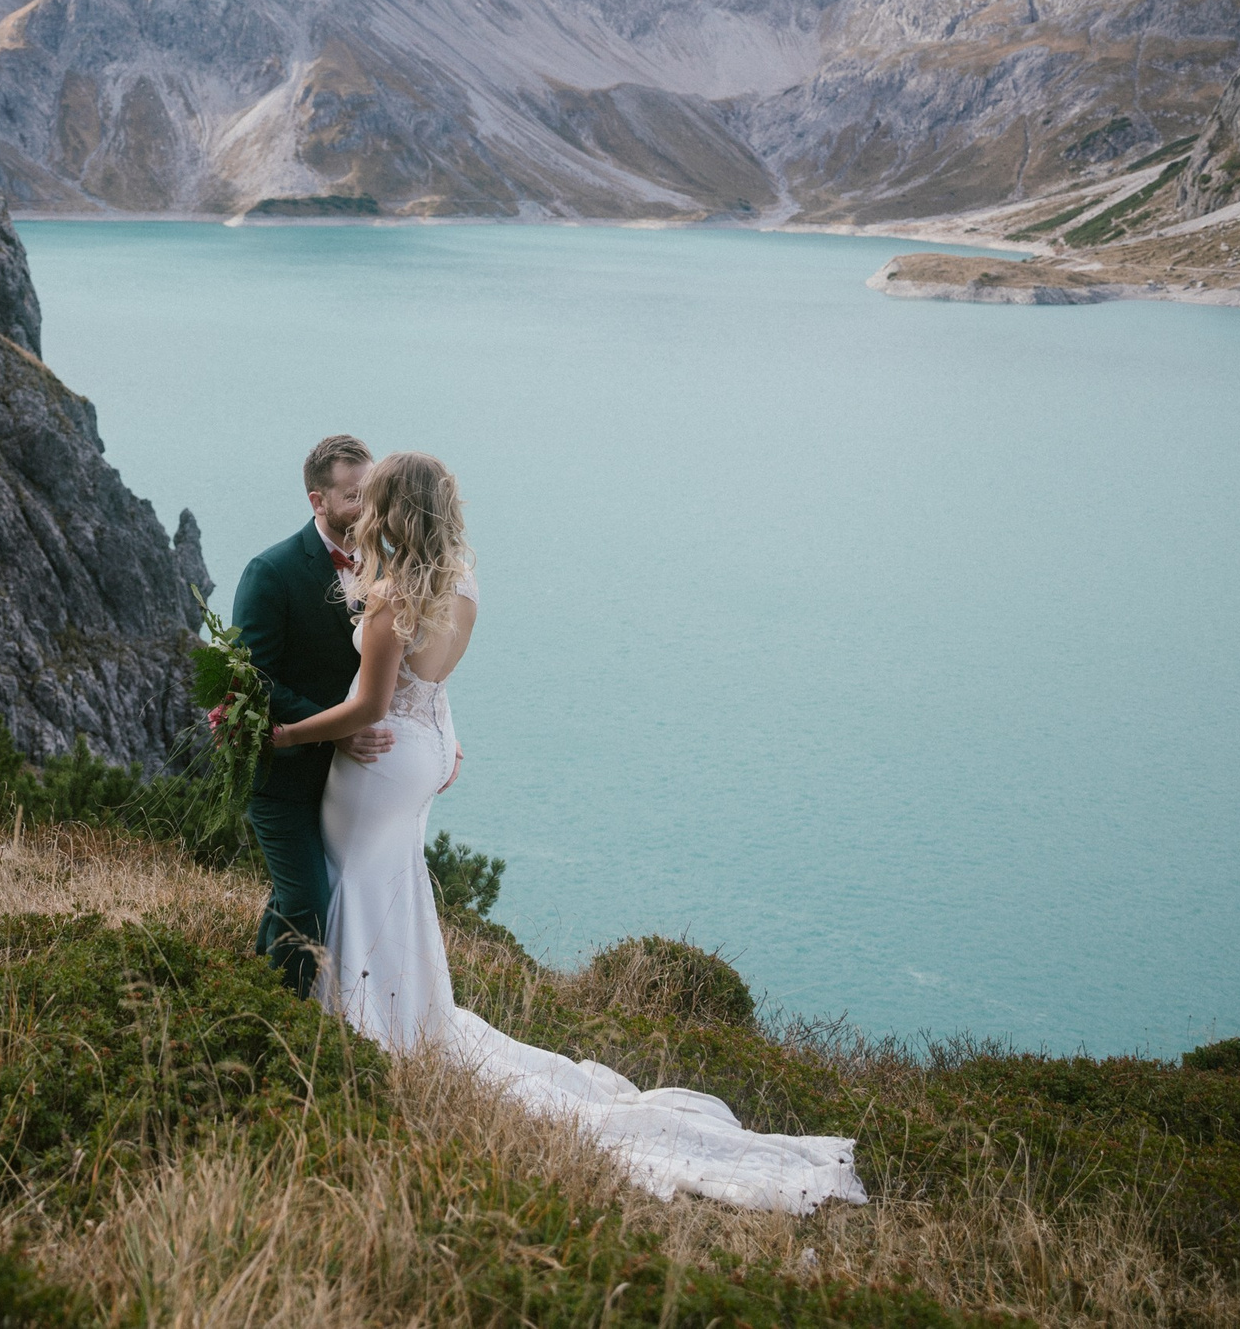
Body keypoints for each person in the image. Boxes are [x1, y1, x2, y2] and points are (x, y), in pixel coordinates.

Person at [267, 451, 868, 1216]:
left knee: (353, 879)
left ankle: (360, 1024)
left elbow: (369, 710)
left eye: (372, 502)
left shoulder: (389, 601)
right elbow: (433, 689)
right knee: (394, 884)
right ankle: (403, 1018)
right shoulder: (460, 587)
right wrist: (446, 746)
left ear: (390, 512)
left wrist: (286, 735)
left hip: (379, 766)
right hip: (420, 757)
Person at [231, 434, 393, 997]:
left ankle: (252, 997)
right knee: (305, 904)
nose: (367, 508)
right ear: (316, 501)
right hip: (285, 774)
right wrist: (338, 727)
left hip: (354, 783)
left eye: (372, 495)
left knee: (313, 899)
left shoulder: (388, 569)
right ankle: (286, 1029)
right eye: (352, 497)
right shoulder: (270, 571)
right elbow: (251, 679)